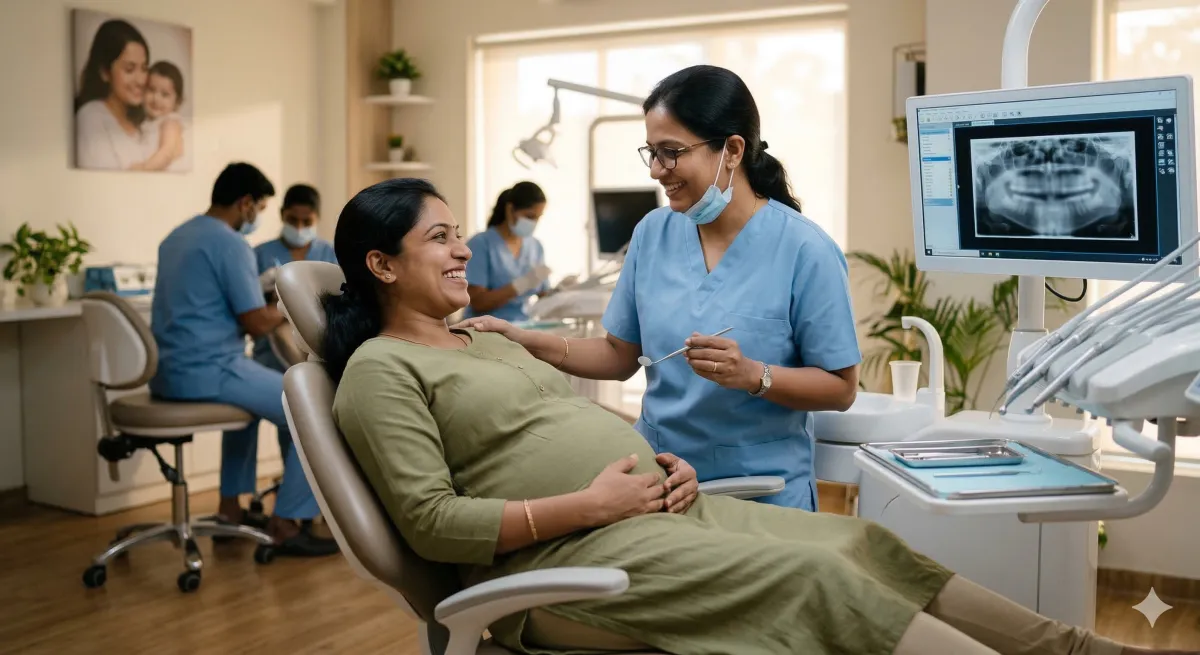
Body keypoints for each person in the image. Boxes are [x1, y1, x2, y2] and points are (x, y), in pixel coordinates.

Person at [323, 178, 1181, 655]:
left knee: (863, 545)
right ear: (381, 265)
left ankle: (1080, 649)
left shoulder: (484, 340)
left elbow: (553, 431)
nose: (463, 249)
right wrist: (591, 503)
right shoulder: (380, 370)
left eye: (459, 231)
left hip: (663, 511)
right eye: (440, 238)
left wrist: (660, 468)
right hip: (565, 560)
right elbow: (432, 522)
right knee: (819, 583)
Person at [456, 65, 859, 511]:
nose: (655, 170)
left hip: (762, 493)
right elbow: (618, 355)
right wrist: (523, 340)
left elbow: (840, 388)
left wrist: (753, 375)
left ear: (732, 150)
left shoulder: (806, 250)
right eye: (651, 152)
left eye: (670, 152)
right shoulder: (653, 233)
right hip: (657, 484)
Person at [149, 163, 337, 557]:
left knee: (249, 408)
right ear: (246, 203)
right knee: (314, 407)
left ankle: (230, 511)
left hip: (168, 372)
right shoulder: (230, 243)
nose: (257, 217)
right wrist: (290, 302)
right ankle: (286, 523)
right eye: (261, 208)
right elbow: (255, 323)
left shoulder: (174, 238)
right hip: (211, 369)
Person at [462, 181, 553, 322]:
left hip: (524, 326)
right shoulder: (481, 244)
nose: (534, 222)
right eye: (529, 216)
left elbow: (544, 296)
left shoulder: (535, 246)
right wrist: (520, 285)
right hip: (484, 328)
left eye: (538, 217)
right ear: (510, 210)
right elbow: (478, 302)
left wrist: (562, 293)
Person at [74, 19, 150, 170]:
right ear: (104, 72)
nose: (141, 80)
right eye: (129, 70)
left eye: (144, 69)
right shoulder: (91, 117)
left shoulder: (142, 122)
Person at [133, 60, 187, 172]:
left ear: (177, 102)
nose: (156, 99)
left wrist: (143, 168)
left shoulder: (170, 122)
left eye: (165, 95)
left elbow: (166, 153)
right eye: (151, 90)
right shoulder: (145, 122)